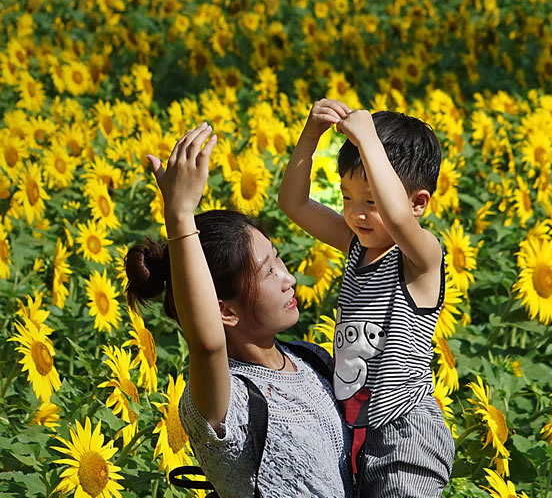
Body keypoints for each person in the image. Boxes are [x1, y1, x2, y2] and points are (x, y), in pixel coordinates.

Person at [125, 123, 352, 498]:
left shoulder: (312, 360)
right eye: (268, 272)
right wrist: (180, 217)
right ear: (224, 312)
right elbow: (208, 344)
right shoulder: (225, 400)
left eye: (279, 261)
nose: (290, 279)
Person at [279, 100, 454, 497]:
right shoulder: (355, 246)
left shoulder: (422, 259)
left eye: (370, 201)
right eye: (347, 198)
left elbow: (397, 218)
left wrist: (369, 139)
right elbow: (293, 204)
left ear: (419, 203)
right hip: (359, 430)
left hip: (406, 432)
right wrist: (311, 135)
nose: (356, 214)